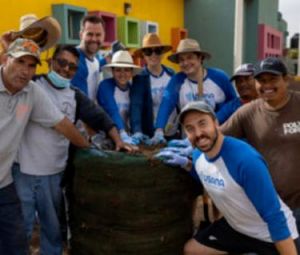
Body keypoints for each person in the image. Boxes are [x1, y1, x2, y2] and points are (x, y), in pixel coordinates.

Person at [12, 44, 133, 255]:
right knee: (19, 231)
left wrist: (118, 139)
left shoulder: (75, 96)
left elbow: (101, 117)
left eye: (72, 67)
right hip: (23, 171)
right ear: (51, 62)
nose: (65, 69)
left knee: (52, 231)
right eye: (62, 63)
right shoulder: (32, 84)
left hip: (53, 174)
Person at [159, 100, 299, 255]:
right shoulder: (198, 155)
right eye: (190, 128)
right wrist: (186, 164)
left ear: (216, 123)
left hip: (269, 236)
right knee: (191, 250)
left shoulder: (245, 160)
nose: (198, 133)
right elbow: (210, 177)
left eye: (202, 123)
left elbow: (274, 216)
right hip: (237, 226)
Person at [0, 38, 89, 255]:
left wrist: (89, 148)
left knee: (17, 243)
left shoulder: (31, 92)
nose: (25, 71)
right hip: (18, 174)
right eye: (20, 62)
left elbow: (62, 124)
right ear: (5, 59)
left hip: (4, 183)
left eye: (31, 65)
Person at [221, 57, 300, 235]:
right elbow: (217, 138)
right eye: (261, 80)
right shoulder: (247, 113)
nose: (266, 85)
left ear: (286, 80)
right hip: (271, 205)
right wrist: (189, 145)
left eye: (273, 79)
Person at [150, 38, 237, 145]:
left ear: (200, 58)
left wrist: (216, 120)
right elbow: (166, 104)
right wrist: (159, 129)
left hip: (217, 140)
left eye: (190, 57)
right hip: (188, 142)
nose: (185, 63)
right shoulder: (177, 80)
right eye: (181, 60)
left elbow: (234, 104)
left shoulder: (219, 78)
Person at [130, 33, 176, 143]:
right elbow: (136, 106)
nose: (153, 55)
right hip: (151, 135)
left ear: (163, 54)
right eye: (148, 52)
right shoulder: (139, 77)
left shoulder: (172, 74)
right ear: (143, 56)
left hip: (173, 132)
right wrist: (137, 130)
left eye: (158, 51)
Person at [96, 50, 143, 144]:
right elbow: (112, 109)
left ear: (131, 72)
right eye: (118, 70)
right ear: (112, 71)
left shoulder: (132, 89)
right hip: (107, 137)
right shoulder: (105, 86)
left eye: (126, 70)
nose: (122, 74)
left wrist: (138, 131)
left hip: (128, 138)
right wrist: (121, 132)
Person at [71, 15, 107, 101]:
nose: (94, 39)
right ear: (81, 35)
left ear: (103, 36)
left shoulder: (95, 58)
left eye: (98, 35)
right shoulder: (75, 60)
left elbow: (96, 65)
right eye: (89, 34)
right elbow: (81, 102)